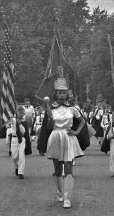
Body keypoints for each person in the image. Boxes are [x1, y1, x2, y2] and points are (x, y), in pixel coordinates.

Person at [38, 78, 85, 208]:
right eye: (60, 93)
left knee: (68, 167)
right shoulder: (51, 108)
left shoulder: (72, 109)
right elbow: (48, 128)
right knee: (58, 168)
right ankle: (59, 191)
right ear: (56, 94)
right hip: (55, 136)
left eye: (64, 93)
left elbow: (82, 121)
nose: (62, 95)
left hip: (68, 137)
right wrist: (50, 119)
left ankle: (67, 197)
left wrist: (76, 131)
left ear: (67, 95)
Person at [8, 106, 28, 179]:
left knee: (21, 156)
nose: (21, 114)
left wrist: (20, 124)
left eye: (22, 113)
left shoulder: (23, 121)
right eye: (19, 112)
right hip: (14, 139)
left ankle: (21, 172)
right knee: (14, 157)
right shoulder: (12, 120)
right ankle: (17, 167)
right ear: (16, 112)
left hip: (21, 139)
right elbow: (8, 126)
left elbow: (24, 132)